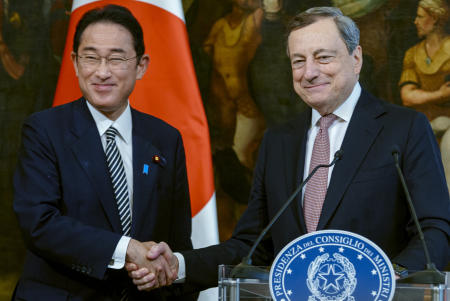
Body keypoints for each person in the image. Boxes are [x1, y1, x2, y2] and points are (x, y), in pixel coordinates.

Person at [128, 6, 450, 291]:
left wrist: (380, 278)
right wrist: (179, 265)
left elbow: (433, 232)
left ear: (356, 58)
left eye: (323, 57)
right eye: (299, 61)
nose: (309, 72)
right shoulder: (279, 141)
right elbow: (251, 245)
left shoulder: (403, 129)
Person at [13, 4, 196, 300]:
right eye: (90, 57)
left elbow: (177, 241)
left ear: (141, 65)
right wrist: (127, 249)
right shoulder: (44, 131)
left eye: (116, 58)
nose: (102, 72)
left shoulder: (165, 138)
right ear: (74, 62)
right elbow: (40, 224)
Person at [399, 0, 450, 190]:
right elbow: (407, 96)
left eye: (420, 16)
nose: (415, 21)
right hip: (423, 124)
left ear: (435, 19)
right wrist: (440, 93)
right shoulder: (412, 54)